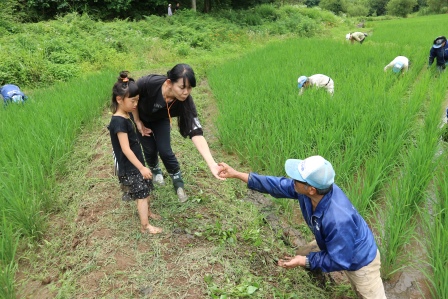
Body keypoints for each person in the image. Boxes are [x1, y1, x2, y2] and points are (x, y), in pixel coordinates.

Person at [218, 155, 387, 299]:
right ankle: (318, 278)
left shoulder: (338, 219)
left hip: (360, 261)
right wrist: (236, 174)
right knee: (302, 253)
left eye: (297, 179)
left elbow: (341, 259)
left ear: (311, 189)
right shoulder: (309, 193)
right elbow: (276, 185)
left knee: (365, 292)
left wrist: (304, 262)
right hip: (333, 243)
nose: (292, 181)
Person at [133, 64, 223, 202]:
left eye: (189, 88)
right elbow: (131, 96)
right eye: (182, 87)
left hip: (160, 119)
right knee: (149, 150)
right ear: (169, 83)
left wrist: (212, 163)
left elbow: (196, 132)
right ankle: (156, 171)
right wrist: (137, 121)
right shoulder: (148, 83)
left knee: (165, 150)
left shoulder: (185, 102)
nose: (186, 92)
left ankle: (177, 180)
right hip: (142, 119)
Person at [108, 71, 162, 235]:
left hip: (136, 163)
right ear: (119, 99)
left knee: (146, 187)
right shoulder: (118, 122)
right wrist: (141, 168)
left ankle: (148, 213)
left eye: (137, 100)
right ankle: (145, 226)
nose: (135, 104)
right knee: (142, 195)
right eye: (133, 100)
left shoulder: (126, 114)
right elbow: (125, 149)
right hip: (130, 167)